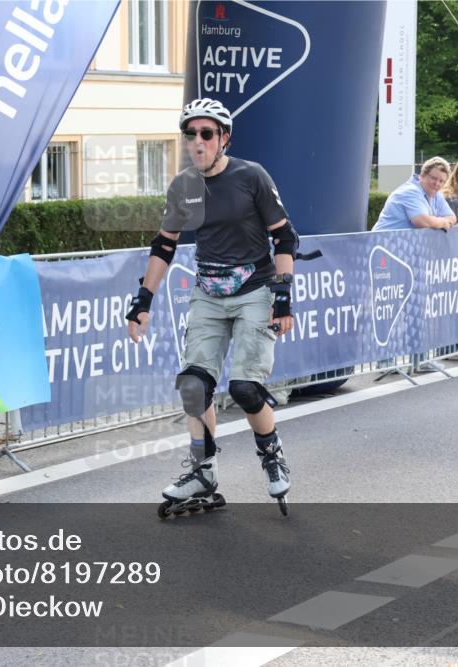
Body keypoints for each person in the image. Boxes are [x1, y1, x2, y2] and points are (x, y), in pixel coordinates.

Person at [125, 98, 297, 510]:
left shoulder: (250, 176)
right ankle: (203, 471)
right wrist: (143, 301)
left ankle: (271, 455)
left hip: (254, 289)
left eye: (206, 134)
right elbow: (164, 245)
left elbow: (285, 237)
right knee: (193, 385)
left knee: (244, 388)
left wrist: (283, 295)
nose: (197, 142)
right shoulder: (184, 186)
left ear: (224, 139)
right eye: (190, 134)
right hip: (208, 292)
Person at [372, 157, 458, 232]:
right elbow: (422, 221)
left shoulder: (436, 193)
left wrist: (439, 222)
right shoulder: (410, 191)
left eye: (441, 181)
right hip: (381, 245)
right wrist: (443, 222)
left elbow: (452, 217)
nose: (437, 183)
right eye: (434, 178)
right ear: (423, 175)